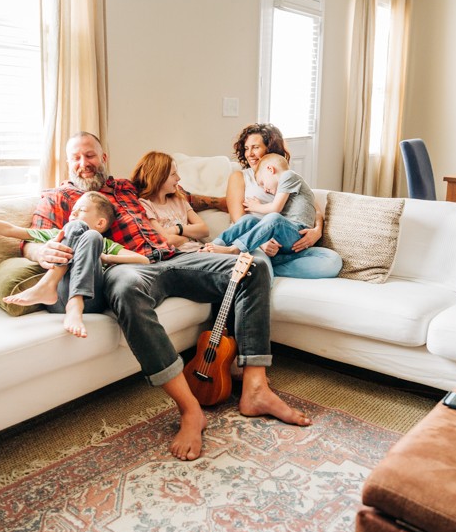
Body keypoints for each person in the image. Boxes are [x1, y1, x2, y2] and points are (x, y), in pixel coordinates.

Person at [22, 132, 311, 461]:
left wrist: (223, 203)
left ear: (103, 158)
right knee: (127, 288)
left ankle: (255, 389)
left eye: (90, 155)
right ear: (67, 162)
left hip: (172, 257)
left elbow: (183, 195)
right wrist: (40, 253)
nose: (83, 163)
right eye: (76, 158)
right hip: (124, 266)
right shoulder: (57, 197)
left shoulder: (126, 187)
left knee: (252, 266)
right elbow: (29, 241)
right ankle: (190, 410)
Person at [0, 192, 147, 338]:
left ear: (101, 222)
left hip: (92, 301)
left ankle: (59, 292)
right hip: (58, 299)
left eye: (82, 210)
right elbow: (9, 230)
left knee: (92, 236)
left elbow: (143, 260)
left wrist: (103, 257)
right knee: (76, 228)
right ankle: (55, 292)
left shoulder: (105, 243)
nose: (73, 214)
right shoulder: (57, 234)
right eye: (73, 210)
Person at [221, 123, 341, 279]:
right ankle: (260, 268)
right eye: (246, 148)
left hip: (286, 241)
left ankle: (273, 269)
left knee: (333, 261)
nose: (249, 154)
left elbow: (313, 207)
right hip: (256, 243)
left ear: (270, 148)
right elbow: (239, 219)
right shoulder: (240, 176)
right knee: (261, 260)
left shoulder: (284, 176)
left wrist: (316, 231)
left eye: (255, 147)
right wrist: (262, 242)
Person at [202, 153, 316, 257]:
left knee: (274, 218)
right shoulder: (287, 185)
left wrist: (256, 207)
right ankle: (213, 245)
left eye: (262, 183)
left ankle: (235, 249)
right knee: (248, 219)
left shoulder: (288, 175)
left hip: (298, 234)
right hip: (284, 235)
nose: (265, 190)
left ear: (270, 169)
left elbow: (276, 209)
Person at [130, 151, 209, 253]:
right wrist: (188, 236)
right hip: (181, 255)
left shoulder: (179, 199)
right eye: (173, 174)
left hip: (201, 249)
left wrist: (178, 229)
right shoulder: (146, 205)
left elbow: (204, 230)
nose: (178, 178)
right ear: (158, 177)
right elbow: (166, 240)